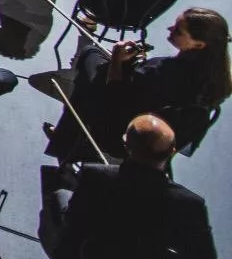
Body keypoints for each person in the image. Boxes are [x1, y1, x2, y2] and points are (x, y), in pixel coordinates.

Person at [41, 114, 215, 259]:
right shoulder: (191, 205)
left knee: (61, 195)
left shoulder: (96, 177)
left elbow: (73, 223)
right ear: (172, 151)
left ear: (126, 144)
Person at [44, 8, 231, 164]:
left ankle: (66, 140)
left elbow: (114, 95)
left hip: (120, 136)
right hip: (157, 149)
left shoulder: (160, 71)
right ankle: (66, 138)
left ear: (199, 44)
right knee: (97, 70)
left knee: (91, 60)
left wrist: (117, 60)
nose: (170, 29)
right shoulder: (217, 83)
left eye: (178, 31)